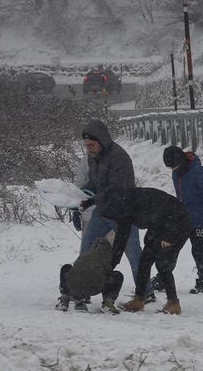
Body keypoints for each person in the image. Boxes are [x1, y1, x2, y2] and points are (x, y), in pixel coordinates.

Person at [75, 119, 155, 303]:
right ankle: (81, 287)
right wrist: (78, 195)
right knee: (86, 248)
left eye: (92, 145)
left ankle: (146, 291)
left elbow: (118, 189)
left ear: (102, 140)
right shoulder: (93, 156)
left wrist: (93, 199)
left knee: (133, 251)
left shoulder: (120, 157)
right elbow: (95, 183)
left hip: (124, 213)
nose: (89, 149)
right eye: (86, 145)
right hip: (103, 211)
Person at [88, 186, 192, 315]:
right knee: (144, 261)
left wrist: (169, 236)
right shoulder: (122, 207)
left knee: (162, 263)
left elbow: (171, 210)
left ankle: (173, 303)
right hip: (158, 225)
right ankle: (138, 300)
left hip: (177, 223)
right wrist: (113, 262)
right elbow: (121, 237)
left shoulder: (135, 201)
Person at [152, 146, 203, 294]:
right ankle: (163, 278)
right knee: (170, 249)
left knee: (201, 252)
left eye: (175, 166)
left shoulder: (199, 172)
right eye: (171, 168)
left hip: (200, 220)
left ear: (181, 161)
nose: (173, 170)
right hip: (181, 219)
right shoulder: (176, 173)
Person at [55, 237, 122, 314]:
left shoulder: (84, 255)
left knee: (66, 267)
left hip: (74, 286)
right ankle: (108, 303)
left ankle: (64, 300)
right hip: (94, 288)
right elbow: (108, 273)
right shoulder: (107, 259)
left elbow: (75, 268)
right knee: (117, 275)